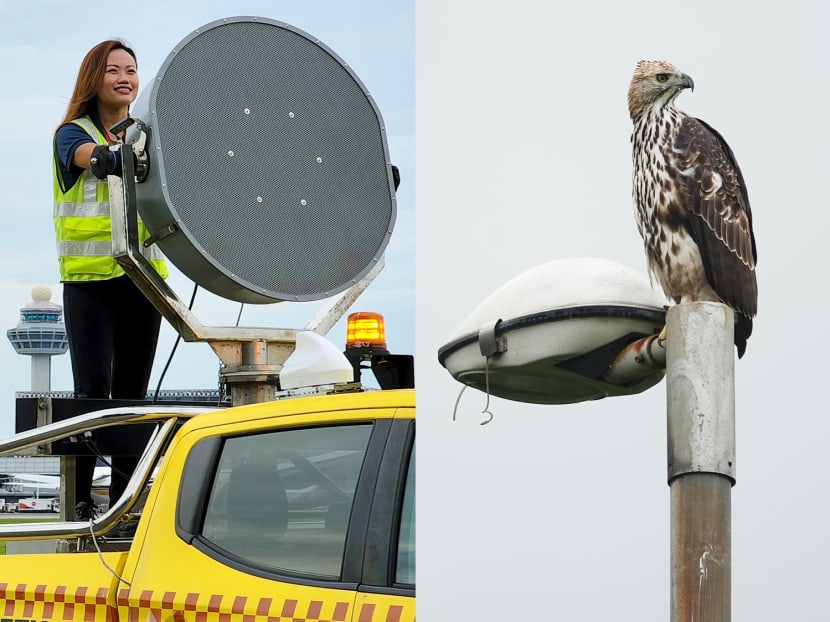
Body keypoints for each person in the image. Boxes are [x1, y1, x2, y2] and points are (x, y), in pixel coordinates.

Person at [53, 39, 168, 520]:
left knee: (132, 396)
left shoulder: (150, 135)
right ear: (93, 79)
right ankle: (80, 499)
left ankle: (126, 499)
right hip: (91, 281)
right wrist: (108, 154)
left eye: (132, 70)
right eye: (113, 70)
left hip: (144, 281)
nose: (125, 77)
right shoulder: (70, 132)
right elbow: (86, 156)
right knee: (93, 389)